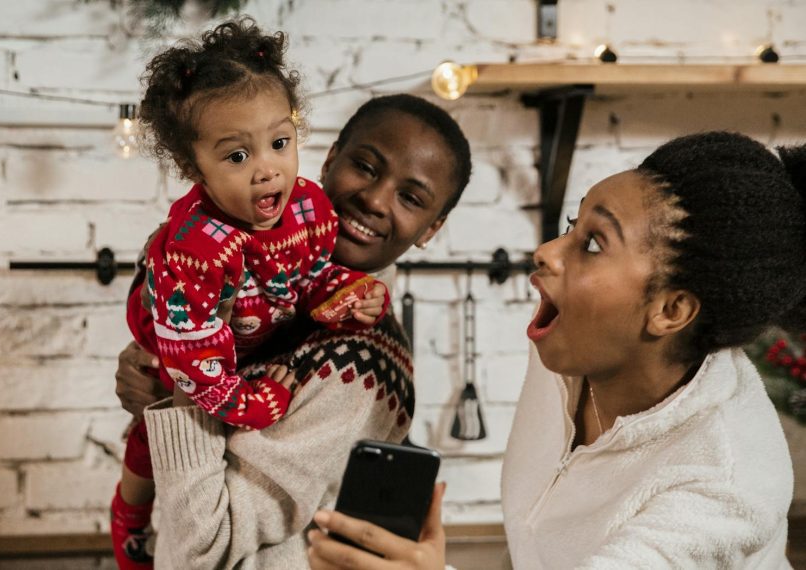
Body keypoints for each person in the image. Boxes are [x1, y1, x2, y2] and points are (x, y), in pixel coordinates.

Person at [307, 131, 805, 569]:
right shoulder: (573, 351)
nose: (546, 250)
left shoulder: (725, 483)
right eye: (572, 223)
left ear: (671, 310)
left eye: (592, 243)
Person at [114, 92, 473, 569]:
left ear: (431, 229)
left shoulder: (361, 360)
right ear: (329, 159)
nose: (374, 198)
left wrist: (180, 392)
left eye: (410, 197)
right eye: (366, 167)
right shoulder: (267, 261)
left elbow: (201, 551)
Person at [109, 18, 392, 569]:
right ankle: (129, 522)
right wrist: (249, 403)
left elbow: (305, 279)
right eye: (237, 157)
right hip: (180, 337)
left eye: (280, 143)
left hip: (239, 328)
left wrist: (345, 292)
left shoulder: (306, 207)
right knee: (154, 426)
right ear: (195, 169)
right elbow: (194, 360)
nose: (267, 169)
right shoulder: (197, 248)